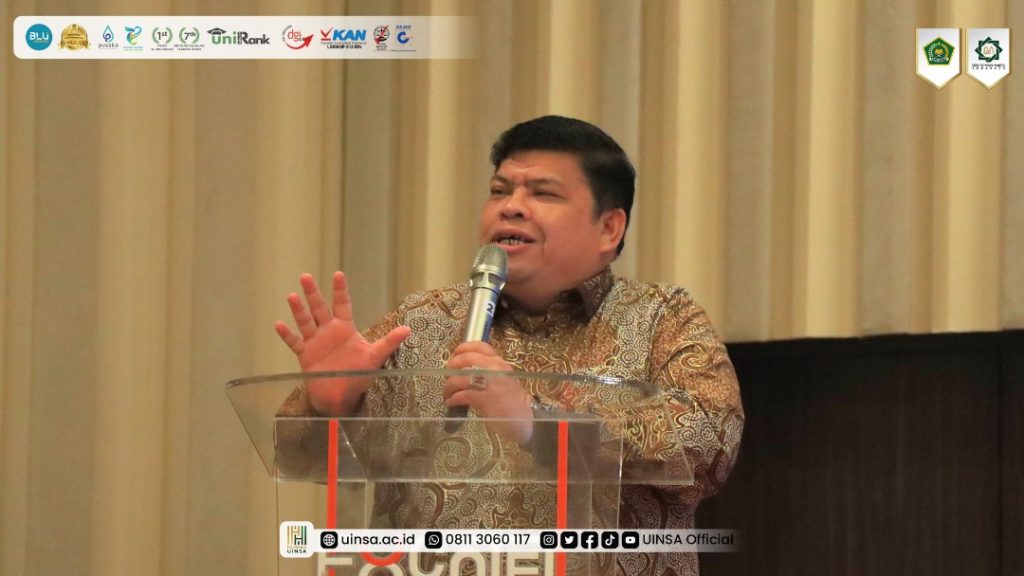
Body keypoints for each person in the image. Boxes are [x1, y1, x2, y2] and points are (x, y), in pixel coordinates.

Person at [275, 115, 744, 575]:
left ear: (609, 229)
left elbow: (708, 444)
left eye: (543, 193)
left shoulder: (660, 316)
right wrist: (328, 407)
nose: (511, 207)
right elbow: (299, 457)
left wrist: (538, 422)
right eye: (500, 190)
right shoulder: (421, 321)